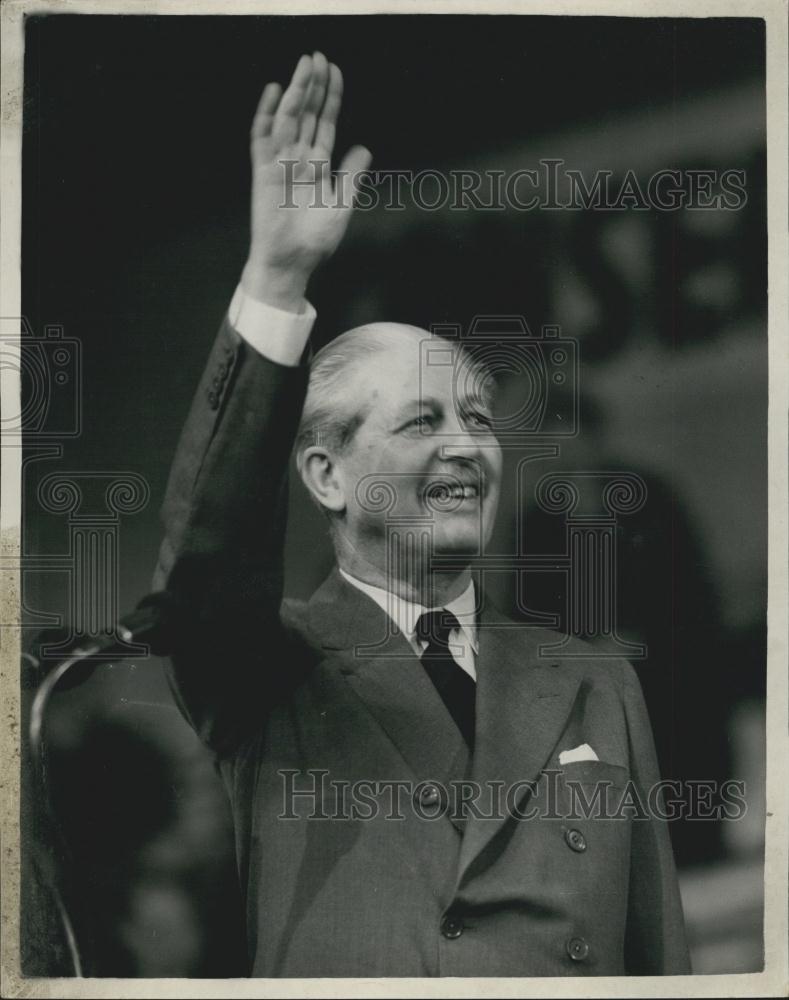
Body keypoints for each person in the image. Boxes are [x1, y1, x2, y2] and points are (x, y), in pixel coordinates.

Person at [153, 51, 691, 978]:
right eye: (420, 421)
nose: (463, 445)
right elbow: (207, 549)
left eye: (476, 419)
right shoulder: (265, 671)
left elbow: (658, 960)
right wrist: (276, 282)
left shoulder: (593, 678)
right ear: (326, 474)